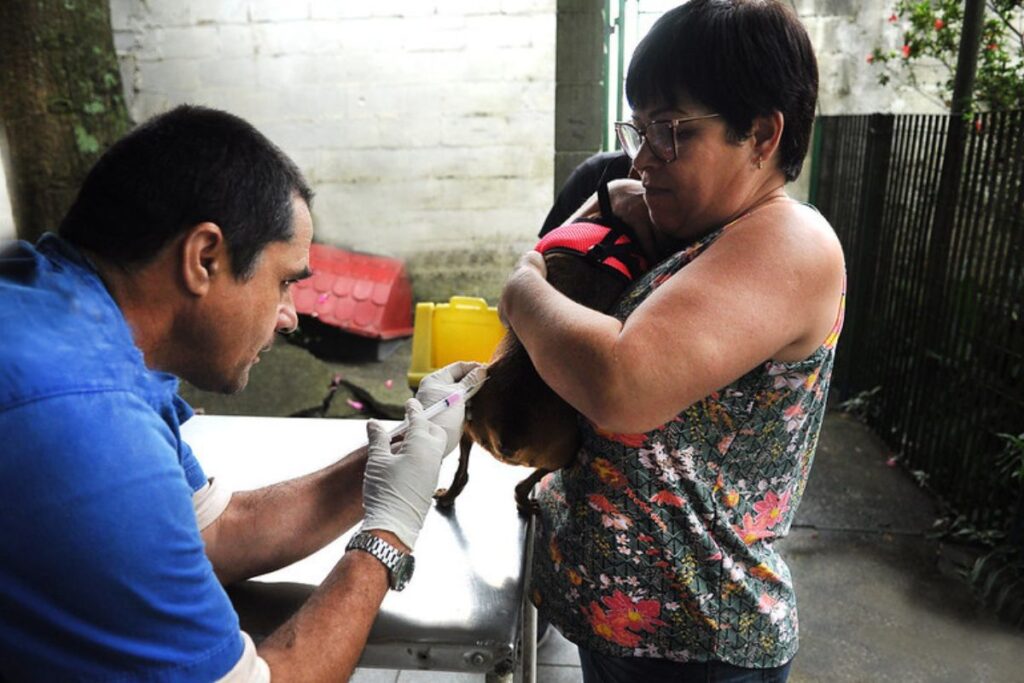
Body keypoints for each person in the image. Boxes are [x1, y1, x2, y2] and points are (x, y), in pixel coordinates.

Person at [0, 104, 481, 681]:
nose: (290, 318)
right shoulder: (85, 419)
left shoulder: (61, 311)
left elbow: (218, 533)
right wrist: (388, 533)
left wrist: (405, 453)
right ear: (204, 258)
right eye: (283, 281)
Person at [499, 2, 846, 681]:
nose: (643, 156)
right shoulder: (699, 229)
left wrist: (519, 286)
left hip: (700, 645)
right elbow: (565, 264)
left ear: (762, 134)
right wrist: (609, 211)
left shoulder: (792, 241)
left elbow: (619, 382)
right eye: (639, 127)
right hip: (629, 632)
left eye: (670, 131)